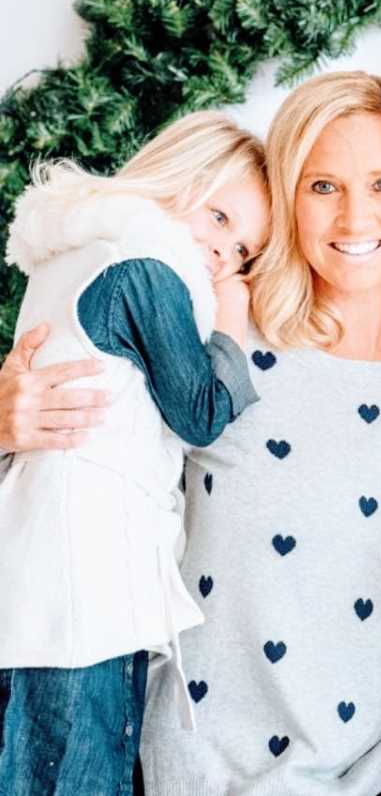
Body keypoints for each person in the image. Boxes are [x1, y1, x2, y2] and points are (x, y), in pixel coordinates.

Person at [137, 71, 381, 795]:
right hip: (197, 754)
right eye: (322, 186)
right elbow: (82, 447)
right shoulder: (224, 338)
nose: (354, 218)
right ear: (287, 197)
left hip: (373, 752)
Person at [0, 112, 270, 796]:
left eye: (243, 254)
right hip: (83, 586)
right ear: (176, 177)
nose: (223, 258)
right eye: (218, 220)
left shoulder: (71, 254)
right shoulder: (147, 265)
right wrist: (233, 317)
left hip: (47, 569)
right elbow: (202, 412)